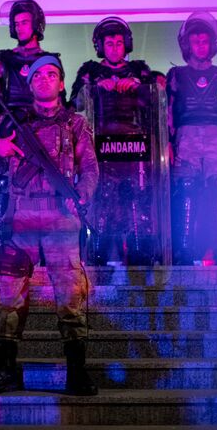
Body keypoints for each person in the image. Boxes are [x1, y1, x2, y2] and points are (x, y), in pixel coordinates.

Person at [0, 55, 99, 396]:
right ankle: (6, 369)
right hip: (20, 217)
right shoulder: (12, 121)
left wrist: (80, 194)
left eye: (51, 74)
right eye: (37, 75)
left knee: (70, 295)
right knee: (10, 296)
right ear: (29, 83)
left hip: (60, 216)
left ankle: (76, 371)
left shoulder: (75, 124)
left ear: (61, 83)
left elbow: (92, 170)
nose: (44, 80)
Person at [0, 0, 60, 264]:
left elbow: (62, 99)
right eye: (17, 23)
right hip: (10, 128)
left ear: (36, 24)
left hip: (43, 130)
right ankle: (3, 247)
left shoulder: (50, 61)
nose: (21, 27)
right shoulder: (3, 59)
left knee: (45, 188)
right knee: (3, 186)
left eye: (25, 22)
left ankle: (45, 252)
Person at [70, 16, 154, 264]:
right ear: (100, 46)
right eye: (109, 44)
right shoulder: (90, 71)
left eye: (119, 43)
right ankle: (101, 253)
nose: (115, 48)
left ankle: (139, 255)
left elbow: (156, 99)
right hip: (100, 145)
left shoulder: (139, 70)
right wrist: (95, 87)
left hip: (135, 146)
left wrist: (137, 86)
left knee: (137, 198)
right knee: (104, 200)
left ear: (126, 44)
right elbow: (74, 101)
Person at [167, 12, 217, 265]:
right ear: (188, 44)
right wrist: (168, 140)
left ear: (213, 45)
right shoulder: (176, 75)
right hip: (185, 139)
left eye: (205, 41)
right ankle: (184, 251)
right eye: (196, 40)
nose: (201, 45)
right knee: (186, 192)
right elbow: (169, 110)